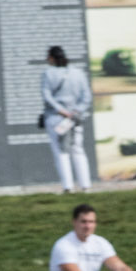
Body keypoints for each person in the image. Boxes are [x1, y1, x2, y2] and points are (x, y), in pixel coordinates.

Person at [41, 45, 94, 192]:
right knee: (78, 149)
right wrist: (76, 111)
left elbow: (47, 95)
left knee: (61, 152)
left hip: (56, 117)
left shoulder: (48, 74)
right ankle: (86, 186)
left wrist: (61, 110)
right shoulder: (78, 73)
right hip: (75, 118)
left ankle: (68, 187)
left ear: (52, 57)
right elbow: (86, 97)